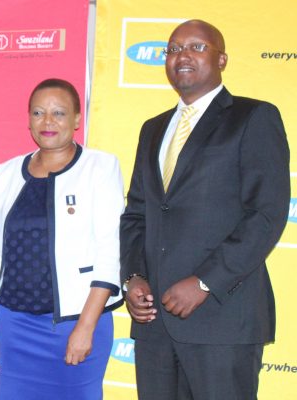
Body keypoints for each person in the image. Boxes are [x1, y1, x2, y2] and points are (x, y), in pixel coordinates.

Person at [120, 19, 290, 400]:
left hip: (222, 321)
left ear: (222, 59)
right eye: (173, 49)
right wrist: (133, 277)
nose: (182, 55)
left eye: (197, 47)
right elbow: (136, 215)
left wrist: (204, 282)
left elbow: (266, 214)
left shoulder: (253, 117)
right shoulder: (152, 129)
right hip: (154, 326)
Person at [0, 78, 125, 399]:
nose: (47, 121)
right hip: (16, 326)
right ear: (29, 119)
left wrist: (85, 327)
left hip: (77, 321)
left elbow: (111, 251)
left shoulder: (100, 167)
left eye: (59, 113)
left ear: (76, 119)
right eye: (38, 112)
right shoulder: (8, 172)